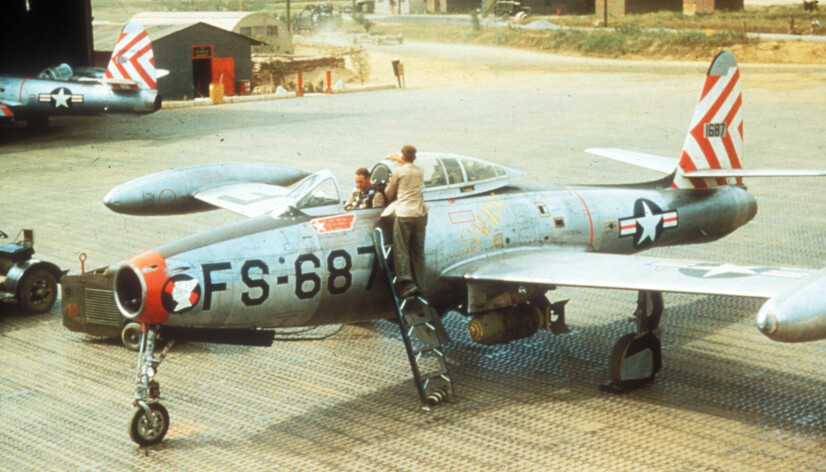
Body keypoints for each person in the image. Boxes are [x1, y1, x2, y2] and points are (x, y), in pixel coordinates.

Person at [384, 145, 428, 299]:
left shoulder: (399, 171)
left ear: (403, 157)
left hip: (404, 214)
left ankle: (406, 283)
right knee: (418, 250)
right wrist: (399, 159)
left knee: (401, 248)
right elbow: (410, 167)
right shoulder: (420, 171)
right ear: (414, 157)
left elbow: (389, 192)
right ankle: (421, 285)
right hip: (420, 214)